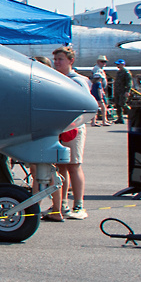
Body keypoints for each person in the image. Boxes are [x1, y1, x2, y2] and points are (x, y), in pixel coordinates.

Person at [51, 47, 92, 220]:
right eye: (55, 59)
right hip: (59, 128)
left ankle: (79, 205)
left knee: (74, 166)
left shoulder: (78, 80)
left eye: (60, 59)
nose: (57, 62)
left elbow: (86, 104)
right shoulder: (55, 78)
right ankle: (61, 204)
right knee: (61, 166)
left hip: (74, 128)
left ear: (70, 61)